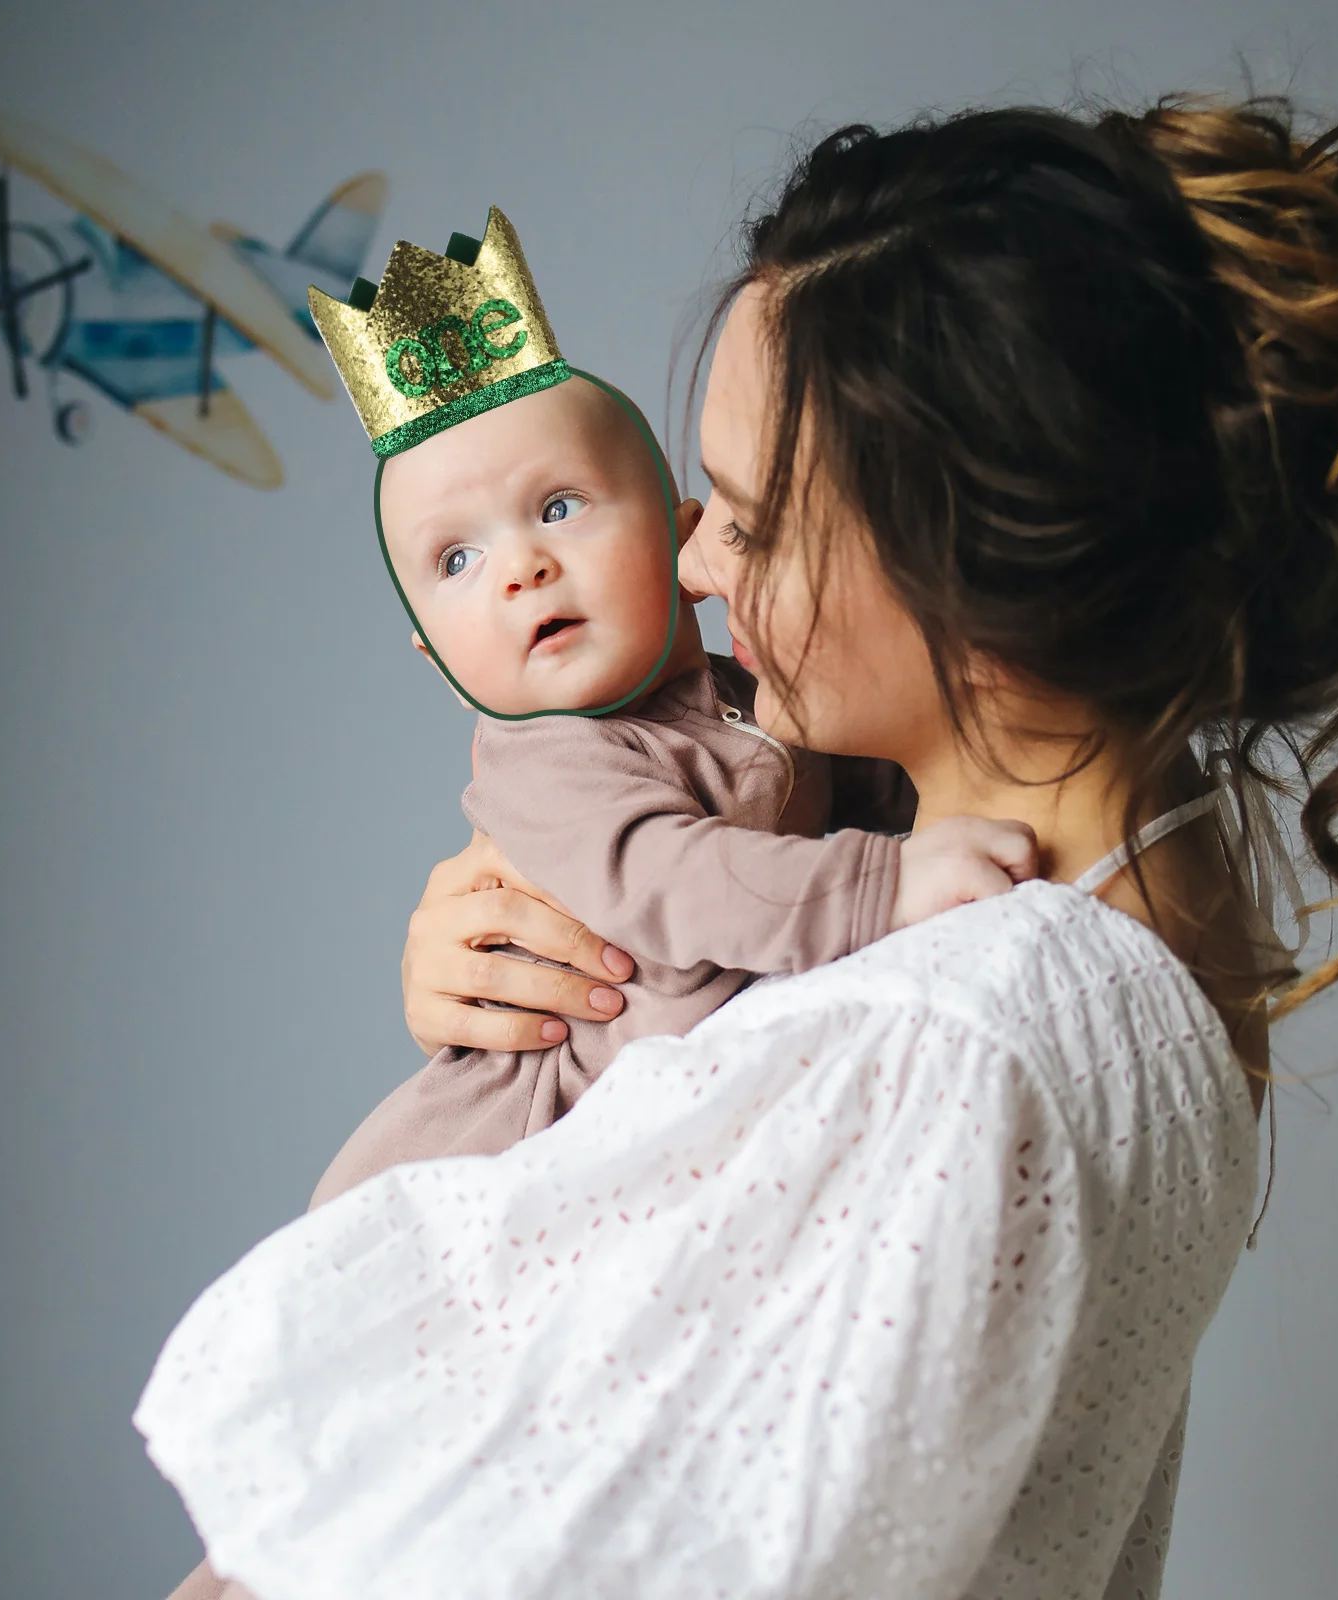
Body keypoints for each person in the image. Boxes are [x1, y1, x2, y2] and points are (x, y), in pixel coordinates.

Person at [135, 92, 1338, 1599]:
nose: (697, 572)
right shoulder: (1161, 890)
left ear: (964, 568)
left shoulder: (942, 1041)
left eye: (751, 518)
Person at [293, 207, 1034, 1208]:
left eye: (558, 506)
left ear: (684, 543)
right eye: (456, 559)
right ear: (435, 659)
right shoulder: (549, 763)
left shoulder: (749, 698)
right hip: (508, 1164)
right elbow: (683, 881)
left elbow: (859, 791)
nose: (523, 567)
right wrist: (884, 883)